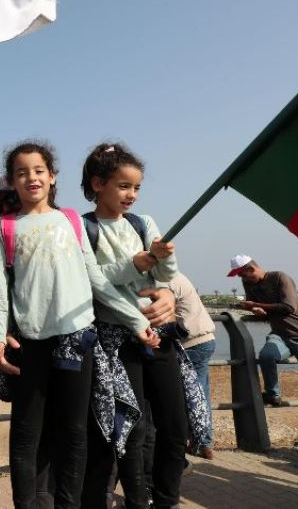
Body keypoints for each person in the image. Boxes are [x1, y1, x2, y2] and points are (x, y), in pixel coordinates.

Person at [0, 141, 159, 509]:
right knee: (25, 435)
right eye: (21, 172)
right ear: (12, 182)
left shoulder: (71, 220)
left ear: (52, 176)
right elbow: (0, 290)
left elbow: (96, 279)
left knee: (75, 432)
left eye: (38, 170)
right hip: (30, 343)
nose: (31, 177)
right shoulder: (4, 229)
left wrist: (135, 320)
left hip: (77, 339)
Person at [76, 142, 187, 509]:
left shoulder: (144, 224)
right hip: (116, 339)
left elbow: (164, 275)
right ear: (97, 184)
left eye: (137, 187)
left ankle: (167, 499)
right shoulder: (83, 227)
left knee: (175, 426)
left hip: (160, 334)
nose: (132, 195)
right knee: (131, 429)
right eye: (124, 186)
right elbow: (95, 280)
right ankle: (138, 502)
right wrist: (136, 266)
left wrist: (164, 262)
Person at [229, 254, 298, 444]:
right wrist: (258, 312)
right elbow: (265, 313)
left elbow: (288, 307)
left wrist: (256, 305)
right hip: (280, 335)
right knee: (267, 356)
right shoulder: (249, 285)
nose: (242, 280)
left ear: (251, 269)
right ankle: (273, 394)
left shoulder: (280, 277)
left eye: (243, 275)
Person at [164, 271, 216, 459]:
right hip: (206, 339)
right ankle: (204, 443)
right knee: (202, 394)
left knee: (192, 396)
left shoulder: (164, 281)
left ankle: (198, 442)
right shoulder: (178, 276)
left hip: (190, 343)